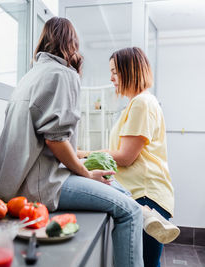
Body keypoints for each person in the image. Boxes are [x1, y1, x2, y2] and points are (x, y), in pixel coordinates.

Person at [0, 17, 144, 267]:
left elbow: (44, 137)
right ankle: (146, 215)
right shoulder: (62, 74)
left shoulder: (30, 76)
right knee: (131, 212)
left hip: (17, 184)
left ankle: (150, 215)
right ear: (71, 43)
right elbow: (55, 141)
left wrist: (81, 161)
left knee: (117, 188)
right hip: (43, 185)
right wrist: (86, 174)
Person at [79, 47, 179, 267]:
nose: (111, 78)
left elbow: (125, 157)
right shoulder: (137, 103)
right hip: (143, 193)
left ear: (130, 70)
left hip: (146, 195)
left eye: (115, 71)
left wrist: (82, 154)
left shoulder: (142, 103)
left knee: (146, 262)